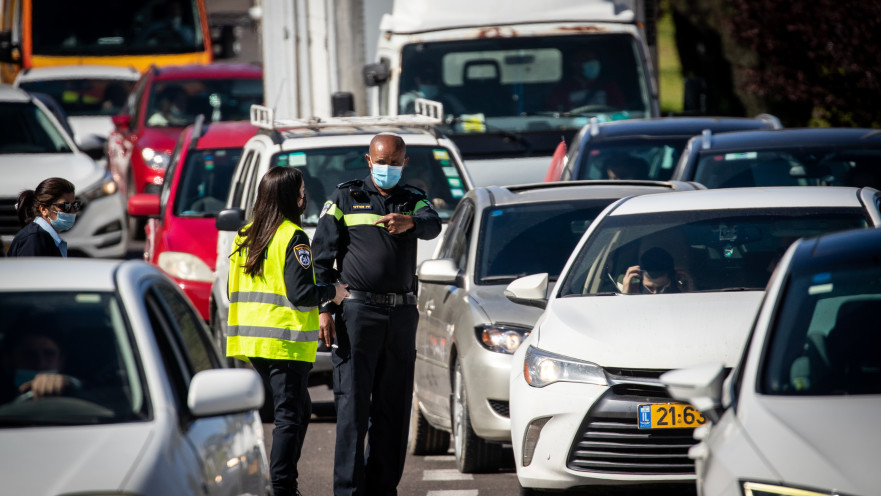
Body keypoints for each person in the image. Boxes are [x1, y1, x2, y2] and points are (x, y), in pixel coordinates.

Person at [312, 132, 442, 496]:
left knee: (393, 409)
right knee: (352, 409)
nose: (387, 168)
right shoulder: (345, 198)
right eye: (381, 162)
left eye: (394, 162)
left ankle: (382, 489)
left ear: (405, 163)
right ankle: (348, 491)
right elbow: (321, 259)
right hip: (357, 313)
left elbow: (433, 224)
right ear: (369, 161)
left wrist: (411, 223)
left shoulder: (413, 199)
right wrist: (325, 309)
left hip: (400, 316)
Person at [226, 166, 348, 496]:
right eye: (302, 192)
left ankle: (284, 483)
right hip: (285, 342)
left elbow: (230, 290)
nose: (304, 197)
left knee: (299, 409)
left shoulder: (244, 235)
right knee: (289, 416)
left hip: (254, 342)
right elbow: (301, 293)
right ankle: (281, 487)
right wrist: (333, 292)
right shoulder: (293, 236)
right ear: (291, 198)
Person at [0, 327, 79, 404]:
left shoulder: (77, 397)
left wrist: (71, 385)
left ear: (61, 361)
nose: (41, 364)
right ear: (8, 361)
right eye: (29, 354)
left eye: (49, 354)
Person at [7, 177, 79, 257]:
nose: (72, 211)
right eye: (65, 206)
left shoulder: (45, 237)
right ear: (44, 209)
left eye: (75, 205)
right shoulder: (34, 238)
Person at [545, 46, 626, 112]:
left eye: (594, 59)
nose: (592, 63)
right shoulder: (562, 89)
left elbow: (621, 111)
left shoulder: (609, 86)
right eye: (586, 59)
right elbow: (554, 114)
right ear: (574, 63)